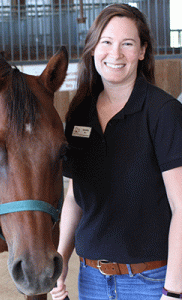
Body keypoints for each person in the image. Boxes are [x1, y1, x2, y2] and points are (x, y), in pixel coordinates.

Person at [50, 3, 182, 300]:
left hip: (150, 281)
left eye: (128, 44)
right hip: (92, 280)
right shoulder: (80, 113)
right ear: (93, 48)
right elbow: (75, 195)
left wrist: (173, 291)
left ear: (142, 51)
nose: (116, 54)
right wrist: (60, 260)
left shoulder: (164, 113)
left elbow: (181, 206)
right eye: (106, 42)